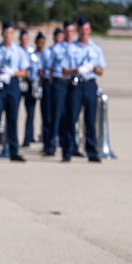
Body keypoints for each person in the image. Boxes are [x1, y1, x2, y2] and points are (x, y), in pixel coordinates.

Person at [0, 22, 28, 162]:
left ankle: (13, 150)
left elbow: (24, 72)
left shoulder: (18, 51)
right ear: (2, 34)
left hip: (12, 84)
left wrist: (13, 74)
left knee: (12, 119)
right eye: (6, 33)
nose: (8, 35)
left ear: (13, 34)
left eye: (10, 33)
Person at [65, 17, 105, 162]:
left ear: (90, 30)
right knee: (71, 118)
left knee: (90, 119)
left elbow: (101, 70)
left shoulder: (95, 48)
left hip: (89, 84)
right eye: (81, 30)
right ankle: (68, 150)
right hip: (75, 84)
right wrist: (77, 70)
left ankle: (91, 151)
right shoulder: (71, 48)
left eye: (86, 30)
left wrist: (92, 68)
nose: (84, 32)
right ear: (78, 31)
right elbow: (64, 70)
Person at [46, 20, 76, 159]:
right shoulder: (56, 49)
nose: (69, 34)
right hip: (59, 83)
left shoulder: (78, 48)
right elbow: (50, 69)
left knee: (70, 117)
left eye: (72, 31)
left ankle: (69, 147)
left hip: (73, 84)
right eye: (67, 31)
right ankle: (51, 145)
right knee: (56, 115)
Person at [40, 28, 63, 156]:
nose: (59, 39)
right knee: (48, 115)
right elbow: (41, 69)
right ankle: (49, 144)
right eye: (57, 37)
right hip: (50, 84)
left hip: (63, 83)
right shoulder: (48, 52)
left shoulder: (67, 50)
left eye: (61, 37)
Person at [21, 31, 43, 148]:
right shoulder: (31, 54)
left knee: (45, 113)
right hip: (31, 84)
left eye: (42, 42)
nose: (40, 44)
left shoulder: (45, 54)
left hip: (42, 84)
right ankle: (27, 138)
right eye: (39, 42)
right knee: (30, 111)